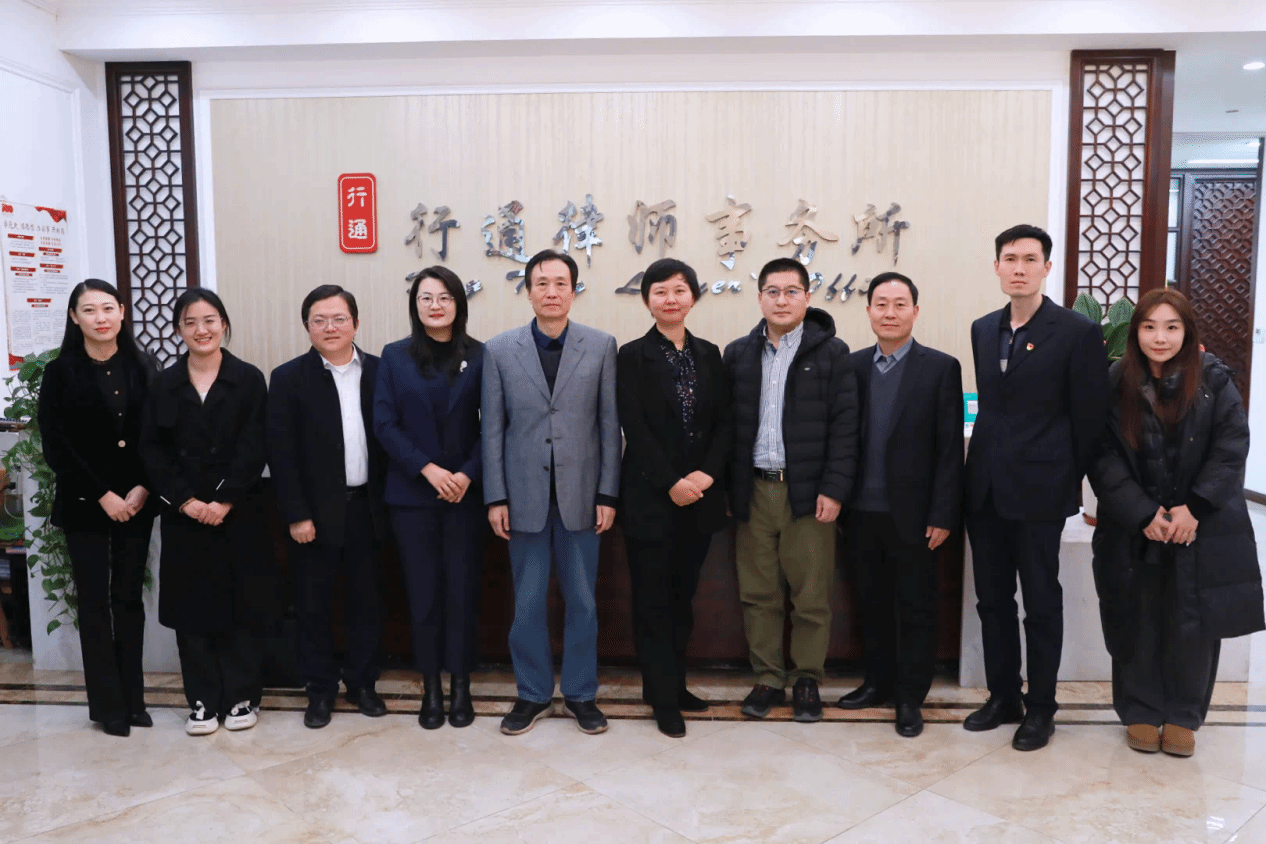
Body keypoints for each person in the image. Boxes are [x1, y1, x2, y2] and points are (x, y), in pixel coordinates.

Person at [1089, 288, 1264, 757]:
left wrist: (1195, 509)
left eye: (1171, 327)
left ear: (1187, 332)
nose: (1160, 338)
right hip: (1136, 526)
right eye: (1149, 327)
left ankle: (1184, 715)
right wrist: (1141, 512)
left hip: (1199, 526)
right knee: (1136, 615)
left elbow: (1231, 447)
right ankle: (1141, 711)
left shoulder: (1214, 379)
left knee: (1193, 622)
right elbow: (1102, 455)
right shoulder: (1115, 381)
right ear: (1135, 333)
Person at [964, 224, 1109, 750]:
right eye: (1010, 258)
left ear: (1047, 267)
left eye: (1030, 259)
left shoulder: (1075, 332)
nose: (1019, 268)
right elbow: (993, 409)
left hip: (1041, 491)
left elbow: (1089, 420)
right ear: (996, 267)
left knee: (1042, 602)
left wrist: (1065, 481)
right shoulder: (983, 328)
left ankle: (1041, 707)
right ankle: (1003, 695)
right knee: (992, 601)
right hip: (984, 489)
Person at [483, 249, 620, 736]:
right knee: (527, 602)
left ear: (574, 291)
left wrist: (608, 493)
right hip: (522, 498)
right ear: (528, 292)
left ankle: (581, 693)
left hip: (582, 496)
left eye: (561, 283)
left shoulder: (601, 346)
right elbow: (492, 430)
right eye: (541, 283)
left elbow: (609, 426)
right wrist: (495, 497)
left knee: (583, 601)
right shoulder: (499, 350)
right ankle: (533, 693)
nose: (551, 292)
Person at [724, 257, 858, 723]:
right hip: (754, 491)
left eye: (792, 291)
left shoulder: (833, 353)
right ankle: (767, 678)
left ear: (807, 297)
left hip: (807, 495)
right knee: (758, 593)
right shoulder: (738, 353)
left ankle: (807, 679)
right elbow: (727, 428)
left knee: (811, 595)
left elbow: (846, 428)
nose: (782, 300)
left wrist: (834, 489)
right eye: (773, 292)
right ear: (760, 297)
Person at [140, 288, 274, 736]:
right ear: (179, 329)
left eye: (210, 320)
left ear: (224, 324)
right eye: (191, 322)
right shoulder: (163, 384)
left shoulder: (248, 379)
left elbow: (256, 444)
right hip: (184, 516)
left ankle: (241, 697)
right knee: (191, 610)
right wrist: (187, 501)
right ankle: (201, 700)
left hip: (239, 512)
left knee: (242, 605)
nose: (202, 329)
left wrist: (225, 499)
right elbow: (152, 450)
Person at [837, 272, 963, 737]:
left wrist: (943, 513)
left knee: (915, 607)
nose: (890, 313)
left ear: (915, 310)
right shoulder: (851, 366)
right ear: (869, 310)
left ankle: (910, 697)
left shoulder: (940, 368)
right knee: (869, 603)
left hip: (915, 516)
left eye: (900, 304)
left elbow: (949, 449)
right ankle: (877, 682)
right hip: (860, 513)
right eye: (881, 304)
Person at [617, 258, 732, 738]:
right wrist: (671, 482)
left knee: (682, 598)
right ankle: (662, 697)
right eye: (660, 291)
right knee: (652, 602)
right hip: (651, 499)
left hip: (699, 498)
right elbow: (634, 426)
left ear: (693, 298)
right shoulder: (631, 356)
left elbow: (725, 422)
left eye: (679, 290)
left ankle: (675, 685)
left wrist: (705, 475)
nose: (670, 299)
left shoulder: (710, 353)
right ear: (647, 300)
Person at [38, 279, 159, 737]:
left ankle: (134, 702)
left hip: (137, 502)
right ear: (74, 317)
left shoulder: (144, 366)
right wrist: (103, 494)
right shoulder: (60, 372)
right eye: (89, 310)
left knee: (128, 599)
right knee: (93, 603)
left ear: (122, 312)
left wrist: (143, 487)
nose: (100, 318)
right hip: (85, 502)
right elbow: (57, 445)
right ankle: (108, 707)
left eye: (108, 308)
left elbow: (156, 436)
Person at [267, 285, 388, 730]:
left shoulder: (381, 371)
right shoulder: (288, 377)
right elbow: (281, 452)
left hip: (369, 509)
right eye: (319, 320)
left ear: (356, 322)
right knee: (313, 605)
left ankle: (362, 684)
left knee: (366, 603)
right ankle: (319, 690)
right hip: (314, 515)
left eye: (339, 318)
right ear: (307, 327)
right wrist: (297, 514)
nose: (330, 327)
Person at [375, 267, 485, 730]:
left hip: (464, 496)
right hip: (412, 496)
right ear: (414, 305)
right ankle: (431, 690)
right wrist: (428, 469)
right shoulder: (395, 356)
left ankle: (461, 686)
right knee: (422, 595)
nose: (435, 305)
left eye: (444, 297)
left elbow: (494, 424)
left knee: (461, 593)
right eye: (426, 298)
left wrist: (466, 473)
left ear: (458, 303)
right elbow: (384, 424)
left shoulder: (481, 355)